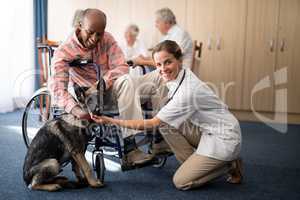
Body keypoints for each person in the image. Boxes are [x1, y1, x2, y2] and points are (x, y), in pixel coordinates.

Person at [91, 40, 243, 190]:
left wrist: (111, 120)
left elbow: (152, 123)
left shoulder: (187, 92)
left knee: (181, 181)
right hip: (207, 129)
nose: (162, 69)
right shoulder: (181, 73)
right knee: (167, 123)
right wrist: (142, 60)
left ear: (179, 60)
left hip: (224, 136)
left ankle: (229, 164)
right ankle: (197, 165)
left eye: (168, 62)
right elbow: (162, 64)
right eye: (159, 64)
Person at [49, 8, 152, 165]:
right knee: (128, 82)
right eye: (90, 32)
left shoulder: (107, 39)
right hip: (90, 97)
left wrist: (102, 83)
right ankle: (131, 149)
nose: (95, 38)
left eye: (99, 33)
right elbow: (58, 89)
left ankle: (146, 146)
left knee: (147, 79)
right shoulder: (65, 50)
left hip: (109, 89)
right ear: (79, 26)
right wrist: (76, 109)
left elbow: (122, 66)